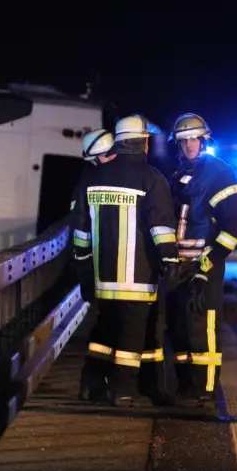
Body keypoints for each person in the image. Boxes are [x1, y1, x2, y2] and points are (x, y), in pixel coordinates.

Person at [71, 114, 179, 405]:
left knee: (104, 331)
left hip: (101, 277)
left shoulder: (91, 177)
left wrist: (83, 269)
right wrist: (170, 260)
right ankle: (122, 390)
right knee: (132, 335)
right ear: (142, 143)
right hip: (137, 278)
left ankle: (90, 384)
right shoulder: (151, 178)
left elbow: (80, 232)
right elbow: (160, 227)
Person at [166, 112, 237, 406]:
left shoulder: (218, 173)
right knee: (180, 327)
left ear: (204, 140)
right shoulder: (179, 172)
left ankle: (204, 389)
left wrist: (211, 260)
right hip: (179, 266)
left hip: (204, 264)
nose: (188, 145)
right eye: (183, 141)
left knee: (203, 327)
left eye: (193, 139)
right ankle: (186, 386)